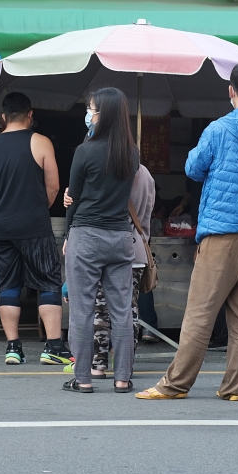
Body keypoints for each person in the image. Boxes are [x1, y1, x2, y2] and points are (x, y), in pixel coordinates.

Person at [137, 63, 238, 402]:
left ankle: (175, 385)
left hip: (222, 233)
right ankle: (233, 388)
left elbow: (193, 168)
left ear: (231, 90)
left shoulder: (219, 129)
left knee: (201, 311)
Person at [62, 88, 141, 393]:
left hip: (87, 235)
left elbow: (75, 197)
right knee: (121, 311)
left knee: (82, 309)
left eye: (92, 109)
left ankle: (82, 378)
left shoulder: (85, 151)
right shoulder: (131, 153)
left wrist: (69, 232)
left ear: (102, 114)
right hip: (121, 237)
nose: (88, 114)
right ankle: (122, 378)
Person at [0, 92, 72, 366]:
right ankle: (53, 347)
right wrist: (38, 208)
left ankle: (13, 347)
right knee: (47, 281)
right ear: (30, 114)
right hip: (34, 224)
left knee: (8, 284)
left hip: (0, 227)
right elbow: (54, 186)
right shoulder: (40, 141)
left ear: (4, 117)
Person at [89, 164, 155, 378]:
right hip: (135, 249)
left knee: (100, 309)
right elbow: (146, 215)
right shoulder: (144, 173)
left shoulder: (105, 168)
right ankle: (125, 366)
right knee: (128, 311)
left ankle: (98, 365)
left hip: (106, 248)